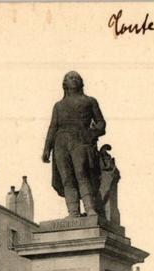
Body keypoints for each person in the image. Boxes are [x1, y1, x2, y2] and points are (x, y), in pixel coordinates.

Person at [42, 71, 106, 217]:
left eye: (77, 77)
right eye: (70, 78)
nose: (74, 79)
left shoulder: (90, 101)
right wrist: (47, 148)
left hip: (80, 141)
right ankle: (73, 212)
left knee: (82, 174)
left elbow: (101, 123)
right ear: (65, 83)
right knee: (66, 178)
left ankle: (90, 208)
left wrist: (91, 133)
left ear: (81, 82)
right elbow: (53, 127)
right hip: (60, 143)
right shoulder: (58, 106)